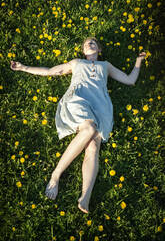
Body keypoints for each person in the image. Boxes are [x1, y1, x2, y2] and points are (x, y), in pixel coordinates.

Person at [10, 37, 146, 213]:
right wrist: (24, 67)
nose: (89, 44)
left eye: (93, 43)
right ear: (83, 51)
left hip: (101, 106)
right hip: (78, 99)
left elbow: (129, 80)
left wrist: (138, 61)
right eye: (86, 43)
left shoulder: (106, 65)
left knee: (93, 146)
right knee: (89, 128)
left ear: (99, 50)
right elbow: (51, 71)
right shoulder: (76, 62)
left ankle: (85, 196)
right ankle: (56, 174)